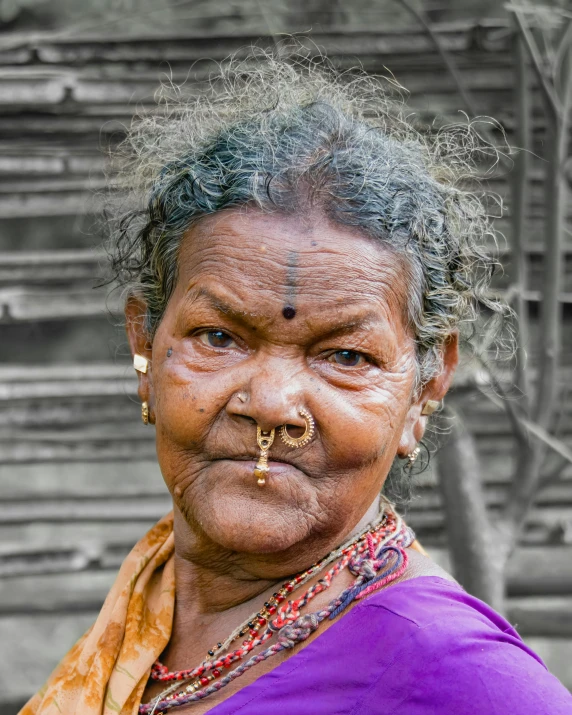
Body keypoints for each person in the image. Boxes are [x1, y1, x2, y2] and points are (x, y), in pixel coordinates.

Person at [20, 49, 572, 715]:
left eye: (345, 355)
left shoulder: (467, 684)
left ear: (424, 389)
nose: (273, 404)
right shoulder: (153, 598)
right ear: (145, 342)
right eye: (218, 337)